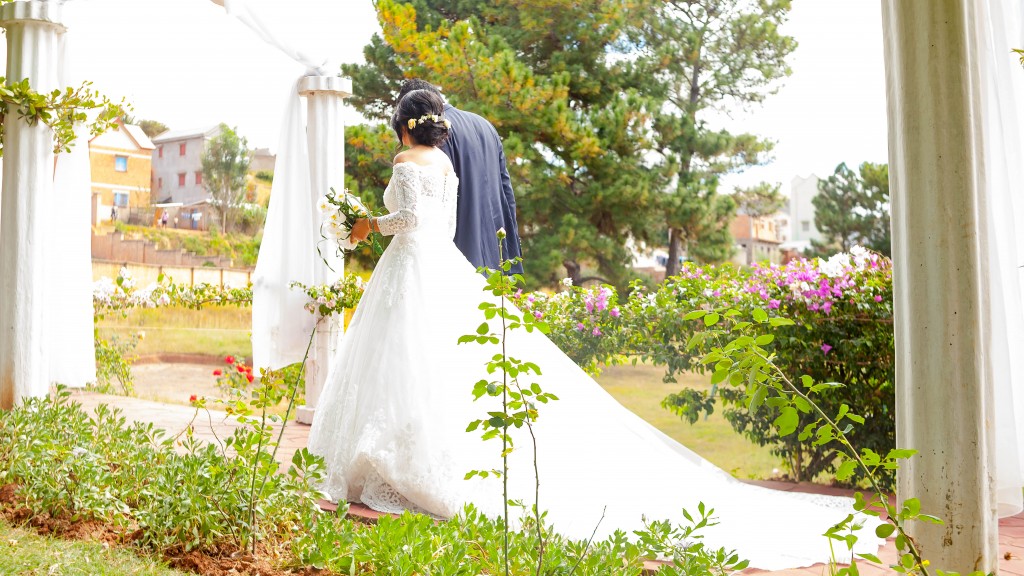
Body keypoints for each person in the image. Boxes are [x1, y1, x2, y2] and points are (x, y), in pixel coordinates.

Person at [307, 89, 881, 570]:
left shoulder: (405, 164)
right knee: (434, 365)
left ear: (403, 128)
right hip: (442, 266)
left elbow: (408, 220)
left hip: (409, 264)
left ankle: (389, 462)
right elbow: (446, 223)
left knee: (401, 361)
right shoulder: (449, 166)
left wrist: (364, 224)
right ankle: (403, 458)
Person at [395, 79, 523, 275]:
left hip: (459, 248)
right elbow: (507, 192)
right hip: (496, 249)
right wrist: (510, 247)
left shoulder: (436, 132)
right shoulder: (485, 125)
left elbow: (432, 201)